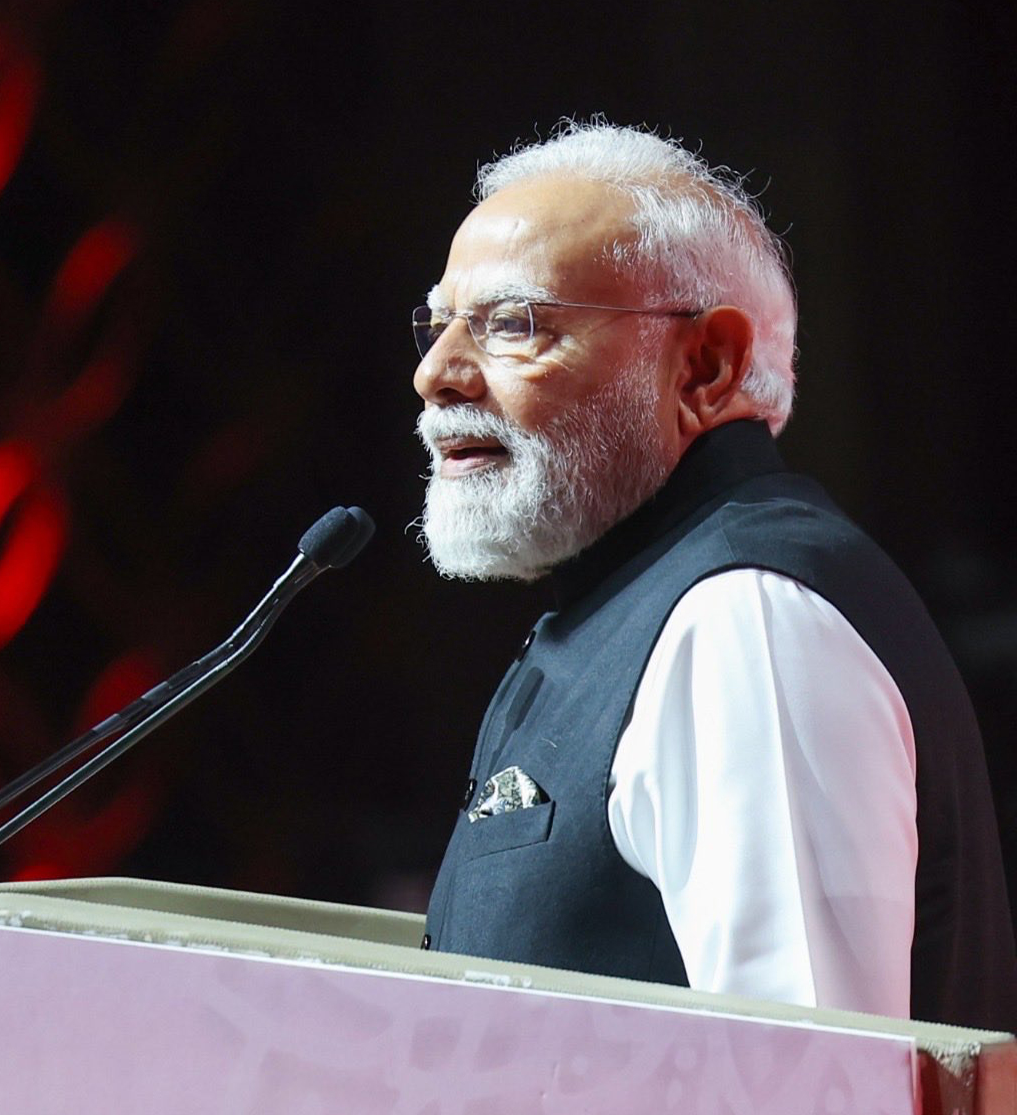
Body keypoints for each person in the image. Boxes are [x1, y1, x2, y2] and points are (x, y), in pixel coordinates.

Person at [414, 120, 1017, 1032]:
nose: (438, 373)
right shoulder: (638, 603)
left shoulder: (745, 621)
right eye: (439, 322)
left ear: (706, 364)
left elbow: (807, 1082)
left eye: (510, 324)